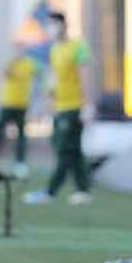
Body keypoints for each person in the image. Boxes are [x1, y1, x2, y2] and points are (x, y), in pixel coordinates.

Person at [23, 12, 94, 206]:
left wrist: (87, 105)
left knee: (65, 149)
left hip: (74, 107)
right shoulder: (55, 49)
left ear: (63, 25)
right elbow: (53, 78)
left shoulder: (78, 47)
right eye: (49, 25)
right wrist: (46, 104)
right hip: (60, 107)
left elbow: (84, 77)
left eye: (54, 24)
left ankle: (50, 191)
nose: (51, 28)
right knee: (73, 150)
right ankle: (83, 189)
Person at [0, 42, 40, 179]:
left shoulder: (30, 64)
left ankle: (20, 163)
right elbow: (4, 75)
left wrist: (37, 98)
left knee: (21, 136)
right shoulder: (10, 63)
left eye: (21, 49)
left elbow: (40, 76)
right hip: (7, 103)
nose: (19, 52)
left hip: (22, 104)